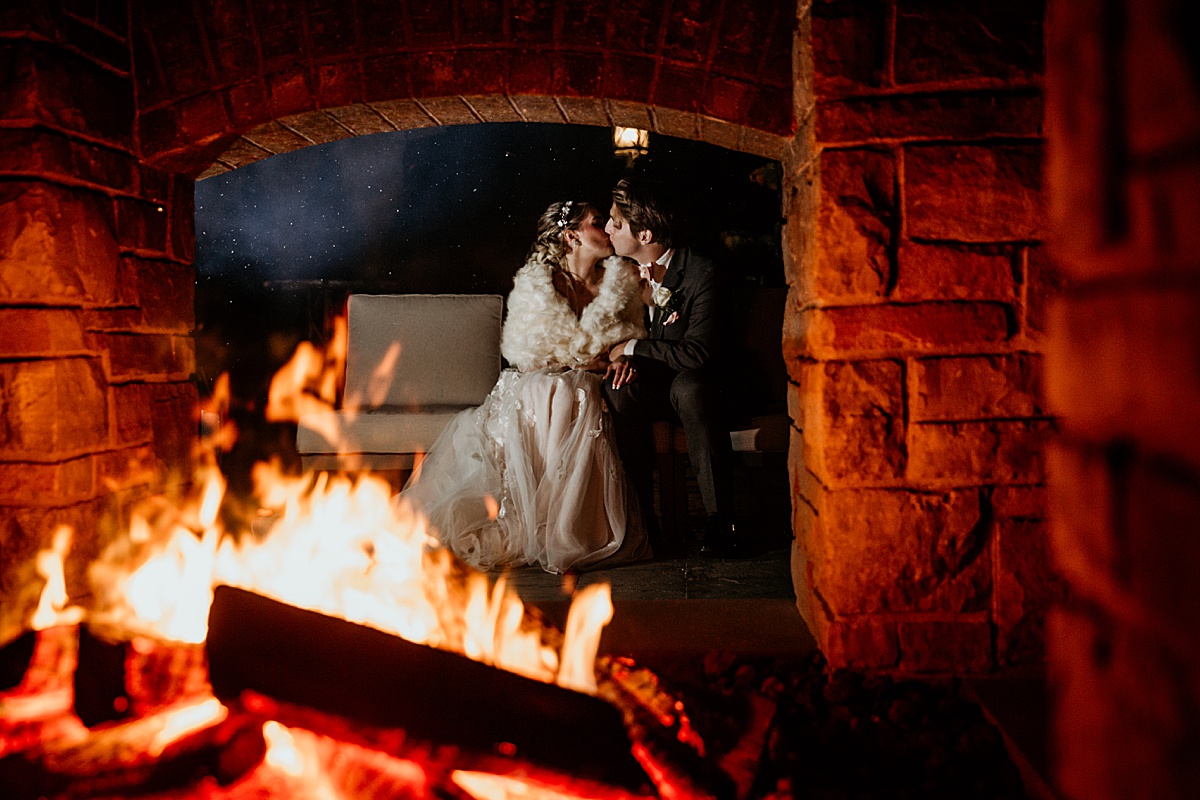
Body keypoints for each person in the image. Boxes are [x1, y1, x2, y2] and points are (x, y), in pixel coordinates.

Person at [399, 200, 652, 574]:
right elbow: (529, 355)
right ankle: (539, 523)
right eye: (598, 223)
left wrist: (619, 356)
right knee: (559, 389)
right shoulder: (537, 284)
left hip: (587, 386)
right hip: (536, 386)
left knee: (576, 388)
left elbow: (631, 338)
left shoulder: (623, 282)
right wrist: (595, 360)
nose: (609, 230)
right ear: (571, 236)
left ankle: (569, 528)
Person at [602, 177, 740, 557]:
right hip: (651, 386)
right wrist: (624, 360)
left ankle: (721, 521)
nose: (608, 228)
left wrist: (632, 347)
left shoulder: (701, 274)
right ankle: (642, 521)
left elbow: (697, 353)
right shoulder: (618, 273)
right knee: (620, 388)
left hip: (699, 389)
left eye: (616, 222)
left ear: (644, 233)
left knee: (691, 387)